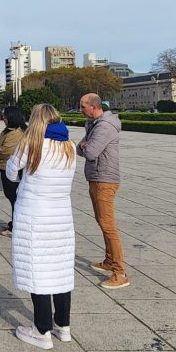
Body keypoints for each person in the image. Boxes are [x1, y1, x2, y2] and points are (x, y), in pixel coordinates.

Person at [6, 103, 76, 350]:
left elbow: (11, 172)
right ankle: (63, 326)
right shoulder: (69, 146)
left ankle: (42, 330)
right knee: (60, 271)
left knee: (38, 271)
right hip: (61, 218)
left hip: (34, 216)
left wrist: (23, 176)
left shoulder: (31, 144)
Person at [77, 93, 129, 290]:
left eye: (83, 107)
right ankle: (109, 261)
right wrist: (85, 144)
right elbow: (80, 149)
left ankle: (119, 272)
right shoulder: (93, 125)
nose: (81, 110)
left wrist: (85, 144)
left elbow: (89, 152)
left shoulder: (104, 126)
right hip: (96, 177)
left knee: (108, 225)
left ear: (94, 107)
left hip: (104, 179)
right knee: (102, 221)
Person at [0, 106, 27, 237]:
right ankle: (15, 222)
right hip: (5, 167)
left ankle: (16, 226)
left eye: (5, 116)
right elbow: (0, 145)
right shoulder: (10, 130)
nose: (3, 119)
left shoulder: (15, 132)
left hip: (10, 168)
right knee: (12, 197)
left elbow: (7, 150)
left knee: (14, 197)